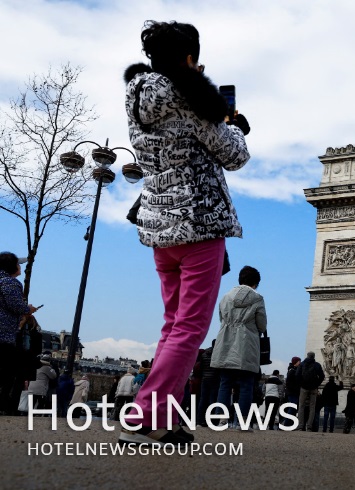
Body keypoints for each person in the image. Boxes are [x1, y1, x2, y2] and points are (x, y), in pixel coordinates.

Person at [119, 20, 251, 446]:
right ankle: (143, 418)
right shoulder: (192, 98)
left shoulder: (136, 96)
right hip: (199, 223)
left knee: (173, 324)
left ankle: (168, 420)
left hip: (159, 228)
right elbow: (234, 155)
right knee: (190, 328)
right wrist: (234, 125)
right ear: (190, 58)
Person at [210, 266, 267, 430]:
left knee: (225, 383)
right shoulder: (257, 298)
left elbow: (221, 318)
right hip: (246, 343)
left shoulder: (226, 297)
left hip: (226, 342)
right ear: (255, 283)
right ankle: (242, 421)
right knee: (246, 384)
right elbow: (261, 325)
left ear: (240, 279)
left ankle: (221, 419)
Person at [0, 252, 38, 415]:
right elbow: (16, 306)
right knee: (7, 372)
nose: (20, 266)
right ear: (11, 267)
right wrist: (28, 309)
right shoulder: (11, 283)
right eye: (18, 263)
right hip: (4, 334)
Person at [296, 351, 325, 431]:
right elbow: (322, 376)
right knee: (312, 407)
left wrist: (301, 384)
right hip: (313, 388)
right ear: (314, 356)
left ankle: (300, 425)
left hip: (304, 388)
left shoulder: (302, 364)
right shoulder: (317, 365)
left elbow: (297, 375)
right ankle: (309, 426)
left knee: (301, 406)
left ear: (307, 356)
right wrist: (316, 384)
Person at [197, 343, 219, 423]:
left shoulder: (204, 354)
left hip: (204, 379)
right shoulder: (217, 354)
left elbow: (201, 367)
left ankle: (199, 420)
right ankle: (211, 420)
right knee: (212, 400)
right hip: (214, 379)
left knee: (203, 400)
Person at [283, 356, 301, 424]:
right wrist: (295, 389)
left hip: (294, 392)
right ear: (295, 362)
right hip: (292, 392)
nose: (300, 362)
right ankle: (286, 423)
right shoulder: (292, 371)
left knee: (294, 408)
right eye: (299, 361)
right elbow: (288, 383)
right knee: (293, 407)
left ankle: (289, 423)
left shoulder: (294, 370)